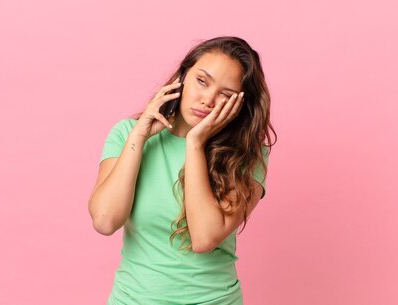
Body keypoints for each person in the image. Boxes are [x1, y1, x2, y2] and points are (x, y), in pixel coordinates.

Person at [89, 36, 276, 305]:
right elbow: (105, 220)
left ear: (238, 107)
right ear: (183, 77)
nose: (208, 100)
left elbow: (204, 238)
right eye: (202, 81)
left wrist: (195, 143)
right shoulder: (126, 135)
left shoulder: (246, 155)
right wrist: (140, 134)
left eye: (225, 95)